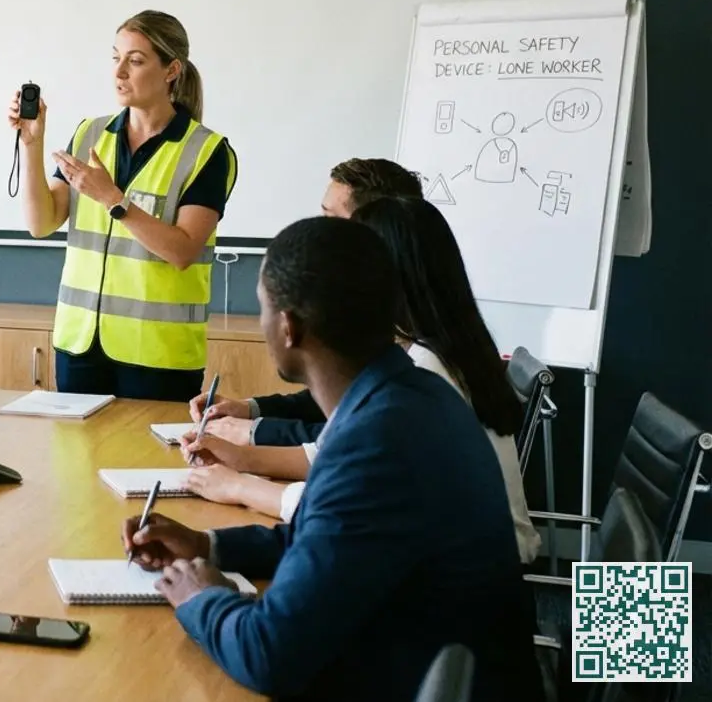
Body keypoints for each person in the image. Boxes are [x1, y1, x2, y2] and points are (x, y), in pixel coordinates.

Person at [121, 216, 540, 700]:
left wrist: (201, 598)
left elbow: (270, 655)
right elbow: (317, 538)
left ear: (288, 327)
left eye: (261, 309)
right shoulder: (411, 393)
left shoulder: (376, 441)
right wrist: (206, 545)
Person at [183, 198, 541, 564]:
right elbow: (338, 475)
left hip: (474, 570)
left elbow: (344, 508)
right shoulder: (434, 351)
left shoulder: (422, 375)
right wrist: (242, 461)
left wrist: (241, 485)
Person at [11, 10, 238, 402]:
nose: (119, 72)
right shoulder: (90, 133)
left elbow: (183, 250)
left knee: (149, 463)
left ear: (172, 70)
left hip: (158, 356)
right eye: (115, 57)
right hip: (80, 345)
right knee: (74, 464)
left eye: (135, 61)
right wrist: (31, 145)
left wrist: (113, 200)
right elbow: (40, 222)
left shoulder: (207, 152)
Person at [184, 157, 424, 447]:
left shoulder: (412, 340)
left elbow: (357, 435)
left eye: (330, 217)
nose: (318, 230)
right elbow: (344, 396)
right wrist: (250, 409)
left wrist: (252, 436)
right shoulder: (371, 295)